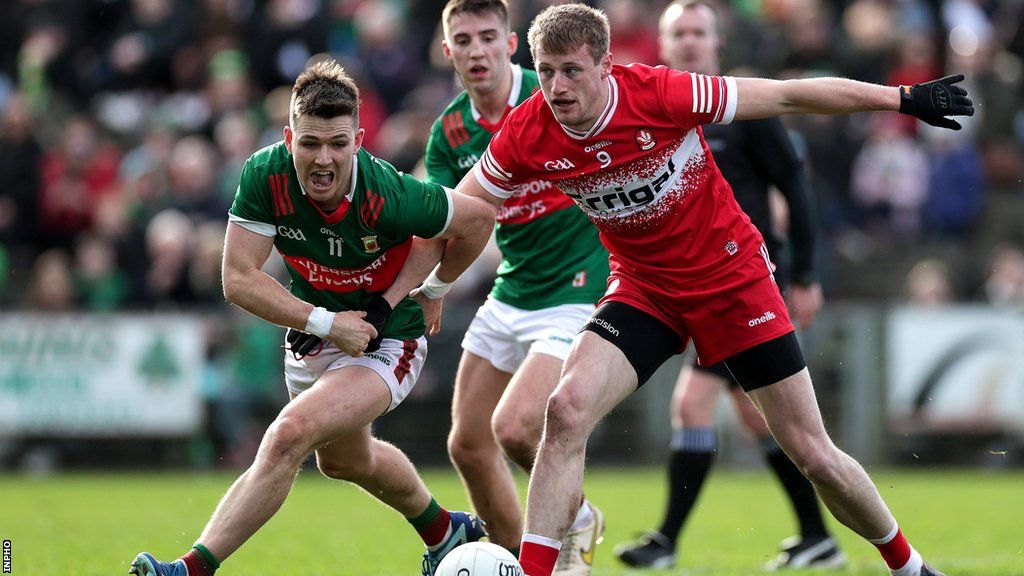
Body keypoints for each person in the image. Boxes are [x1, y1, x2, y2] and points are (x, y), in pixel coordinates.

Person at [422, 4, 973, 576]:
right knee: (564, 411)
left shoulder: (664, 94)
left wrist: (903, 99)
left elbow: (788, 97)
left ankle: (910, 567)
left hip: (731, 281)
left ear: (606, 65)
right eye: (546, 70)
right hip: (644, 290)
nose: (556, 87)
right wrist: (425, 282)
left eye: (572, 71)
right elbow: (459, 208)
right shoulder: (527, 129)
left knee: (814, 454)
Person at [128, 58, 497, 576]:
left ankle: (188, 569)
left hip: (390, 340)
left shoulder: (387, 193)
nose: (324, 159)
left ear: (358, 141)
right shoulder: (264, 174)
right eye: (310, 143)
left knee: (287, 435)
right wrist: (322, 323)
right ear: (288, 137)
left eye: (338, 144)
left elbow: (477, 220)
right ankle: (443, 530)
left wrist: (429, 290)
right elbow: (237, 278)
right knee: (345, 461)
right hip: (318, 335)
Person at [613, 2, 841, 571]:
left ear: (717, 45)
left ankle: (666, 540)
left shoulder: (742, 109)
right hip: (691, 286)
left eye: (699, 33)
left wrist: (806, 275)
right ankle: (818, 537)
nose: (689, 43)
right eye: (678, 34)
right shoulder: (655, 114)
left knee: (692, 405)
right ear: (662, 47)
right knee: (756, 418)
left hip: (745, 282)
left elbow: (796, 187)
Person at [424, 2, 609, 574]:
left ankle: (572, 524)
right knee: (467, 444)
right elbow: (438, 224)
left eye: (487, 37)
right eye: (463, 40)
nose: (476, 50)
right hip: (512, 288)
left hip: (577, 288)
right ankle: (515, 561)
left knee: (515, 427)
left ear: (509, 44)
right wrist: (421, 285)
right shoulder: (449, 132)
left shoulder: (554, 92)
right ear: (448, 51)